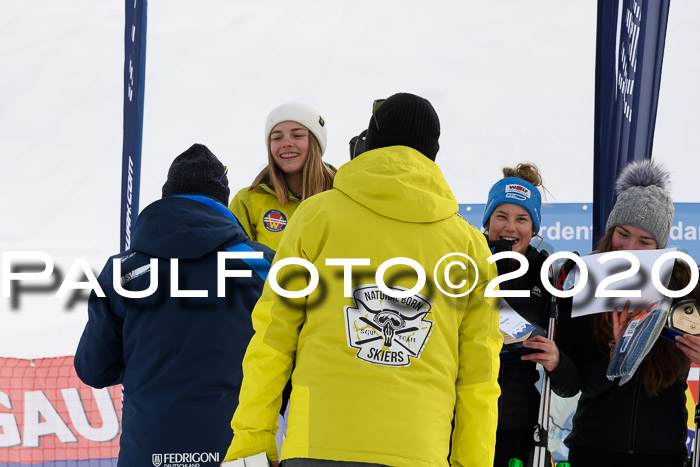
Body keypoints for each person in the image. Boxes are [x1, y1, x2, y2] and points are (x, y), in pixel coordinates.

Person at [223, 93, 502, 466]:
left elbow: (271, 342)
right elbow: (479, 381)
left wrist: (252, 442)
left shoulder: (315, 217)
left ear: (371, 139)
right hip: (420, 450)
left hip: (318, 444)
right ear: (433, 152)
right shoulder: (470, 247)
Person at [74, 144, 274, 467]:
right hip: (235, 452)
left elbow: (94, 368)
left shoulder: (124, 270)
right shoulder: (262, 264)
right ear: (222, 202)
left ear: (168, 196)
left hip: (147, 452)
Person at [551, 159, 700, 467]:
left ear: (661, 246)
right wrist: (618, 353)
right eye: (622, 233)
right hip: (593, 447)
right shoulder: (585, 280)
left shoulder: (685, 285)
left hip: (663, 452)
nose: (630, 248)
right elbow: (578, 386)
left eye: (645, 241)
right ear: (610, 231)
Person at [481, 163, 573, 466]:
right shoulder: (465, 264)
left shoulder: (548, 276)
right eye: (501, 216)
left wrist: (556, 360)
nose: (510, 227)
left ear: (533, 229)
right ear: (487, 222)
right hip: (463, 420)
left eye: (521, 219)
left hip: (521, 431)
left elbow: (571, 382)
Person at [229, 101, 335, 250]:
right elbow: (235, 261)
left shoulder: (342, 195)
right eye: (277, 138)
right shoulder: (247, 201)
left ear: (316, 143)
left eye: (297, 135)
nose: (286, 143)